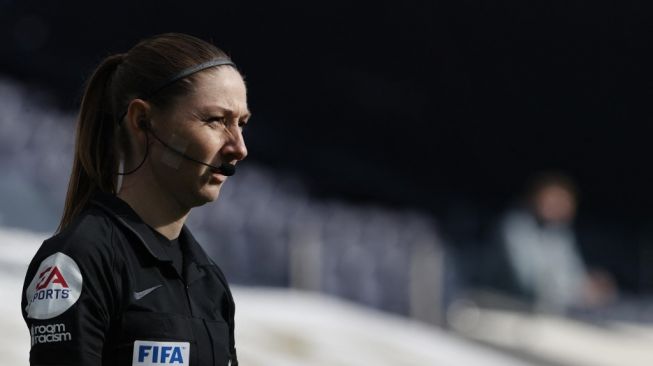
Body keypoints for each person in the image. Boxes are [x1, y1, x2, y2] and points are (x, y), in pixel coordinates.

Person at [21, 33, 250, 366]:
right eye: (216, 120)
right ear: (142, 121)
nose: (239, 148)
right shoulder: (79, 260)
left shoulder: (208, 278)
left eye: (242, 124)